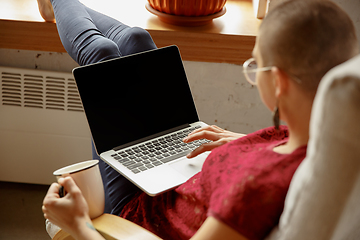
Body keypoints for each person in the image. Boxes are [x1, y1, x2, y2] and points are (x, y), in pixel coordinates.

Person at [41, 0, 359, 239]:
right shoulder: (319, 137)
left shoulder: (251, 193)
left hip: (139, 212)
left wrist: (79, 224)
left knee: (102, 57)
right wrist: (243, 143)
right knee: (137, 40)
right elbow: (279, 149)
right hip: (181, 176)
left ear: (278, 82)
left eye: (255, 64)